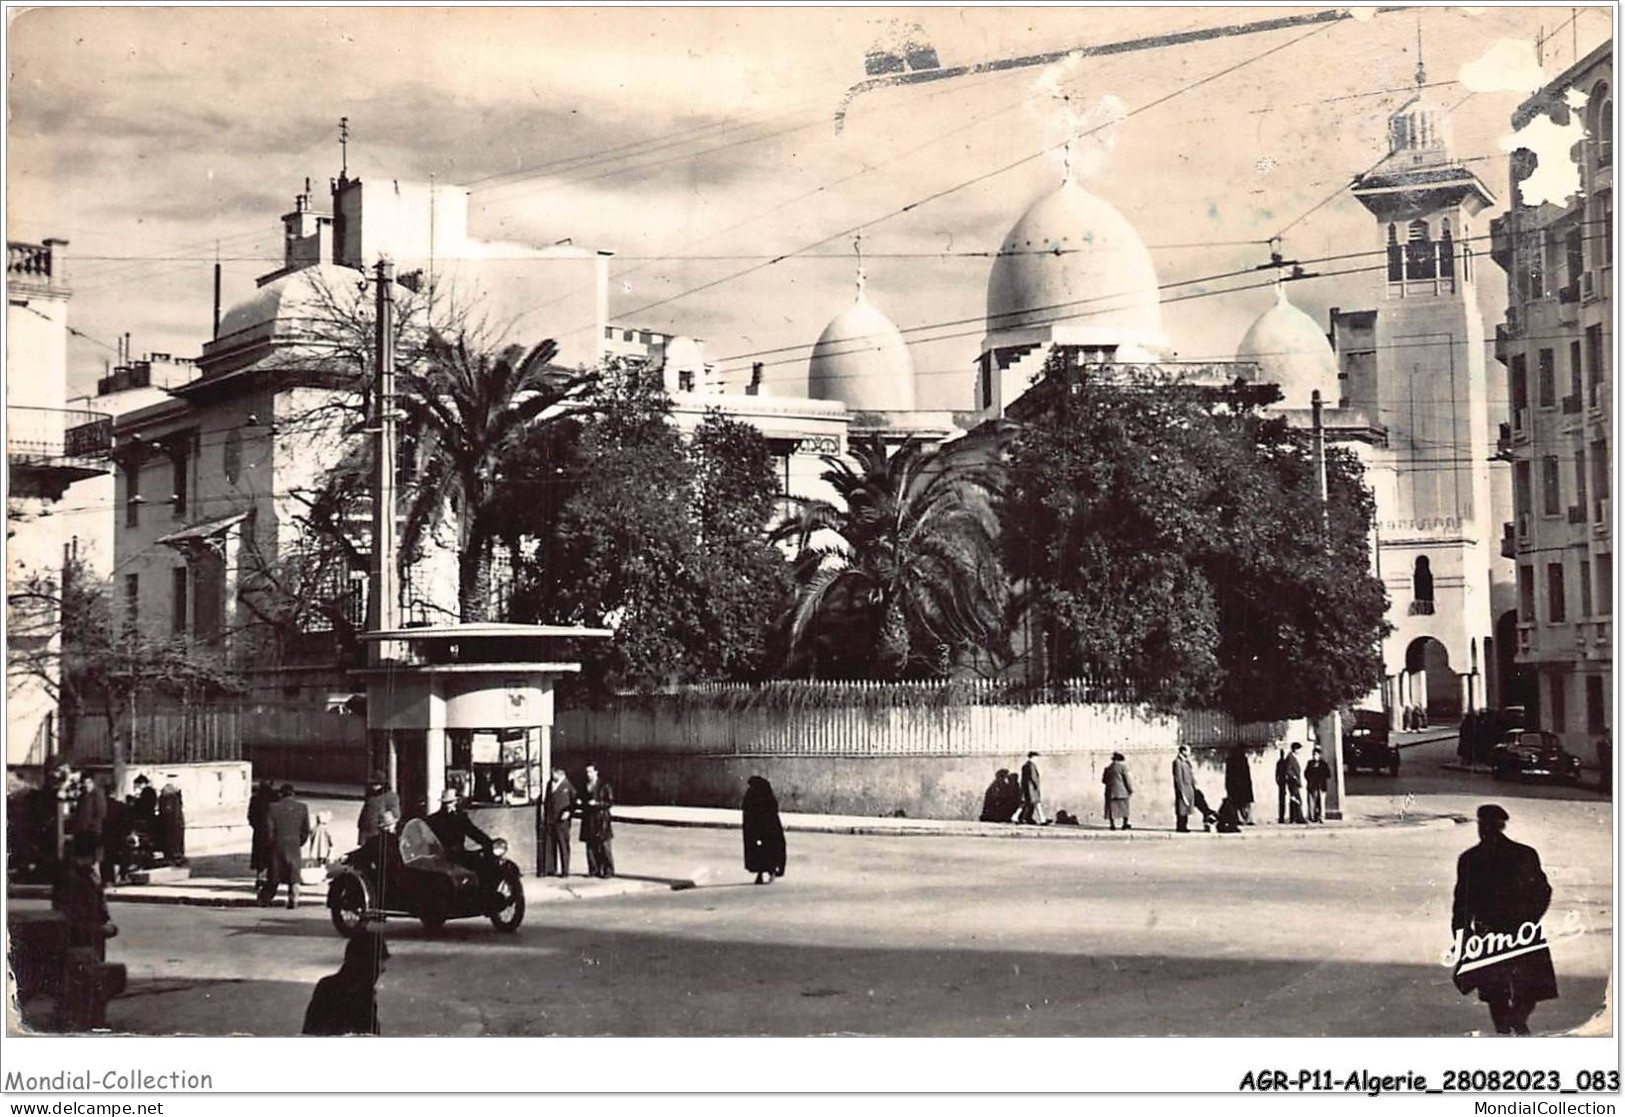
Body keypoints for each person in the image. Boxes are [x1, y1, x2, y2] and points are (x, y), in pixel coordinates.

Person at [1452, 804, 1558, 1035]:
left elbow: (1462, 903)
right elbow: (1543, 891)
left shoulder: (1471, 858)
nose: (1484, 829)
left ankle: (1507, 1025)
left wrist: (1462, 936)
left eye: (1485, 825)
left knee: (1496, 989)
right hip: (1521, 929)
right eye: (1483, 824)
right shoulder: (1524, 853)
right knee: (1527, 987)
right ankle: (1516, 1021)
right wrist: (1531, 919)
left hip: (1491, 932)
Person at [302, 930, 390, 1036]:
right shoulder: (362, 997)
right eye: (380, 961)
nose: (383, 968)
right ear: (369, 963)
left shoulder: (325, 986)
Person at [53, 832, 117, 959]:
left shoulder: (88, 874)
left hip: (92, 939)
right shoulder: (74, 879)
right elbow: (76, 919)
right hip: (82, 944)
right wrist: (102, 929)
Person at [261, 784, 310, 909]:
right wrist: (299, 842)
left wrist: (270, 844)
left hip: (277, 844)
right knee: (294, 875)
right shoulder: (302, 808)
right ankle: (294, 899)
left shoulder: (272, 808)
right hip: (294, 844)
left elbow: (268, 830)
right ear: (293, 794)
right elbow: (305, 830)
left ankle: (265, 899)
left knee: (274, 874)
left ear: (281, 794)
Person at [426, 788, 495, 869]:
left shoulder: (460, 817)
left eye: (450, 802)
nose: (448, 805)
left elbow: (474, 832)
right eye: (445, 803)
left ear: (455, 802)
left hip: (458, 856)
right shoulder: (433, 819)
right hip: (443, 859)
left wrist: (488, 843)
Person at [742, 775, 787, 885]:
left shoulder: (753, 795)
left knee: (760, 852)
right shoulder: (766, 796)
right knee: (768, 852)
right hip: (766, 831)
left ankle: (762, 874)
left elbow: (746, 812)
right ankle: (768, 873)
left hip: (759, 831)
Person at [536, 765, 578, 878]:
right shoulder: (550, 784)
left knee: (563, 844)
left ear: (561, 773)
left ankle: (565, 870)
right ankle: (550, 868)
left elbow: (574, 802)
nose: (552, 775)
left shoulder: (568, 786)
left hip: (562, 820)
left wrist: (569, 812)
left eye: (554, 773)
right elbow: (547, 800)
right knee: (549, 844)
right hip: (550, 818)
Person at [579, 763, 615, 879]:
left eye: (590, 772)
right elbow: (583, 799)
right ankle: (593, 869)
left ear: (596, 772)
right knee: (590, 847)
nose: (588, 774)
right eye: (586, 772)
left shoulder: (604, 785)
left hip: (601, 819)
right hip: (589, 819)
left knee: (604, 847)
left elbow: (610, 802)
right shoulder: (585, 786)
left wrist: (598, 804)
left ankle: (608, 870)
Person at [356, 774, 401, 849]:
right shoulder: (371, 795)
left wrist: (385, 823)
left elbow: (395, 814)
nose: (374, 786)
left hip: (378, 831)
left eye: (376, 784)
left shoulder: (390, 796)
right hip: (366, 829)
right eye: (372, 784)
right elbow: (365, 812)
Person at [69, 773, 107, 861]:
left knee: (91, 858)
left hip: (92, 831)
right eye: (85, 783)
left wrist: (91, 826)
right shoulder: (82, 795)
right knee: (82, 858)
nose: (86, 785)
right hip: (81, 831)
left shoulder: (98, 794)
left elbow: (101, 813)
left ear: (93, 783)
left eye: (89, 782)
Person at [247, 779, 274, 888]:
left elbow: (250, 816)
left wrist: (256, 826)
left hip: (259, 832)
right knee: (271, 855)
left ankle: (259, 878)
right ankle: (269, 878)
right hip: (272, 831)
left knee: (259, 856)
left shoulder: (255, 799)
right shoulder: (275, 798)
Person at [156, 775, 186, 865]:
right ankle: (175, 855)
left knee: (173, 840)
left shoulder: (170, 795)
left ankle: (174, 855)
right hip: (173, 822)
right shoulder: (170, 795)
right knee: (173, 840)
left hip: (172, 822)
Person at [1224, 745, 1255, 825]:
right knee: (1245, 803)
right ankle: (1247, 819)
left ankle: (1240, 819)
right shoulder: (1243, 760)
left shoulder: (1230, 760)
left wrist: (1227, 786)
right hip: (1243, 786)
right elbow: (1247, 775)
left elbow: (1228, 776)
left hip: (1235, 786)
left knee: (1237, 804)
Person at [1103, 752, 1133, 831]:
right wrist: (1130, 789)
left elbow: (1104, 781)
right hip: (1122, 791)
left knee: (1111, 809)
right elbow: (1127, 779)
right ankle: (1124, 824)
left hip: (1110, 792)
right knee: (1125, 808)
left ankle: (1112, 825)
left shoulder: (1107, 768)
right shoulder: (1123, 767)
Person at [1172, 745, 1197, 833]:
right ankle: (1181, 826)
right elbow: (1178, 778)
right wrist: (1181, 790)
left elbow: (1191, 774)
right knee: (1181, 808)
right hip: (1183, 787)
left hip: (1189, 787)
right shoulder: (1177, 762)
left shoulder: (1186, 762)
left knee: (1186, 808)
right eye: (1187, 751)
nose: (1189, 753)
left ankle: (1184, 826)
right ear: (1183, 751)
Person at [1019, 751, 1048, 825]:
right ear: (1033, 757)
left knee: (1026, 804)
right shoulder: (1031, 765)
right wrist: (1036, 785)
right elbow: (1033, 777)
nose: (1037, 759)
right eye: (1036, 757)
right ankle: (1042, 820)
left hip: (1028, 788)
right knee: (1037, 803)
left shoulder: (1025, 765)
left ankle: (1016, 817)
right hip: (1032, 788)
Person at [1304, 747, 1332, 823]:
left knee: (1321, 803)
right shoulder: (1310, 763)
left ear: (1319, 755)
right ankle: (1312, 817)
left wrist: (1321, 778)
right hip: (1312, 786)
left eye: (1316, 754)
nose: (1314, 756)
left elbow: (1328, 774)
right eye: (1313, 754)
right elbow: (1306, 773)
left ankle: (1321, 817)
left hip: (1321, 786)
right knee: (1312, 802)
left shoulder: (1323, 764)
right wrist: (1310, 780)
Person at [1285, 743, 1306, 824]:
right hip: (1293, 782)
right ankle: (1298, 818)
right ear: (1295, 749)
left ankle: (1295, 818)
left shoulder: (1292, 757)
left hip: (1295, 782)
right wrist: (1294, 777)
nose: (1300, 751)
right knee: (1297, 800)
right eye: (1299, 749)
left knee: (1295, 799)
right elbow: (1289, 770)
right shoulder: (1290, 758)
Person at [1274, 748, 1290, 823]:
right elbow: (1277, 773)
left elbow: (1276, 774)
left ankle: (1281, 817)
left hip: (1282, 782)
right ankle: (1281, 817)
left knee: (1282, 800)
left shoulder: (1280, 762)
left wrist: (1277, 780)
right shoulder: (1283, 762)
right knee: (1282, 800)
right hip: (1282, 782)